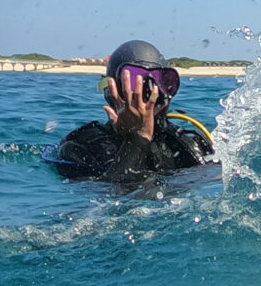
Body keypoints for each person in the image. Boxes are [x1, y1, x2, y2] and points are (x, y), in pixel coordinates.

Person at [47, 40, 214, 182]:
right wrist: (136, 140)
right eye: (134, 82)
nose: (148, 95)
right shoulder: (80, 148)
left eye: (160, 82)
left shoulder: (189, 146)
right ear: (111, 90)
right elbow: (111, 202)